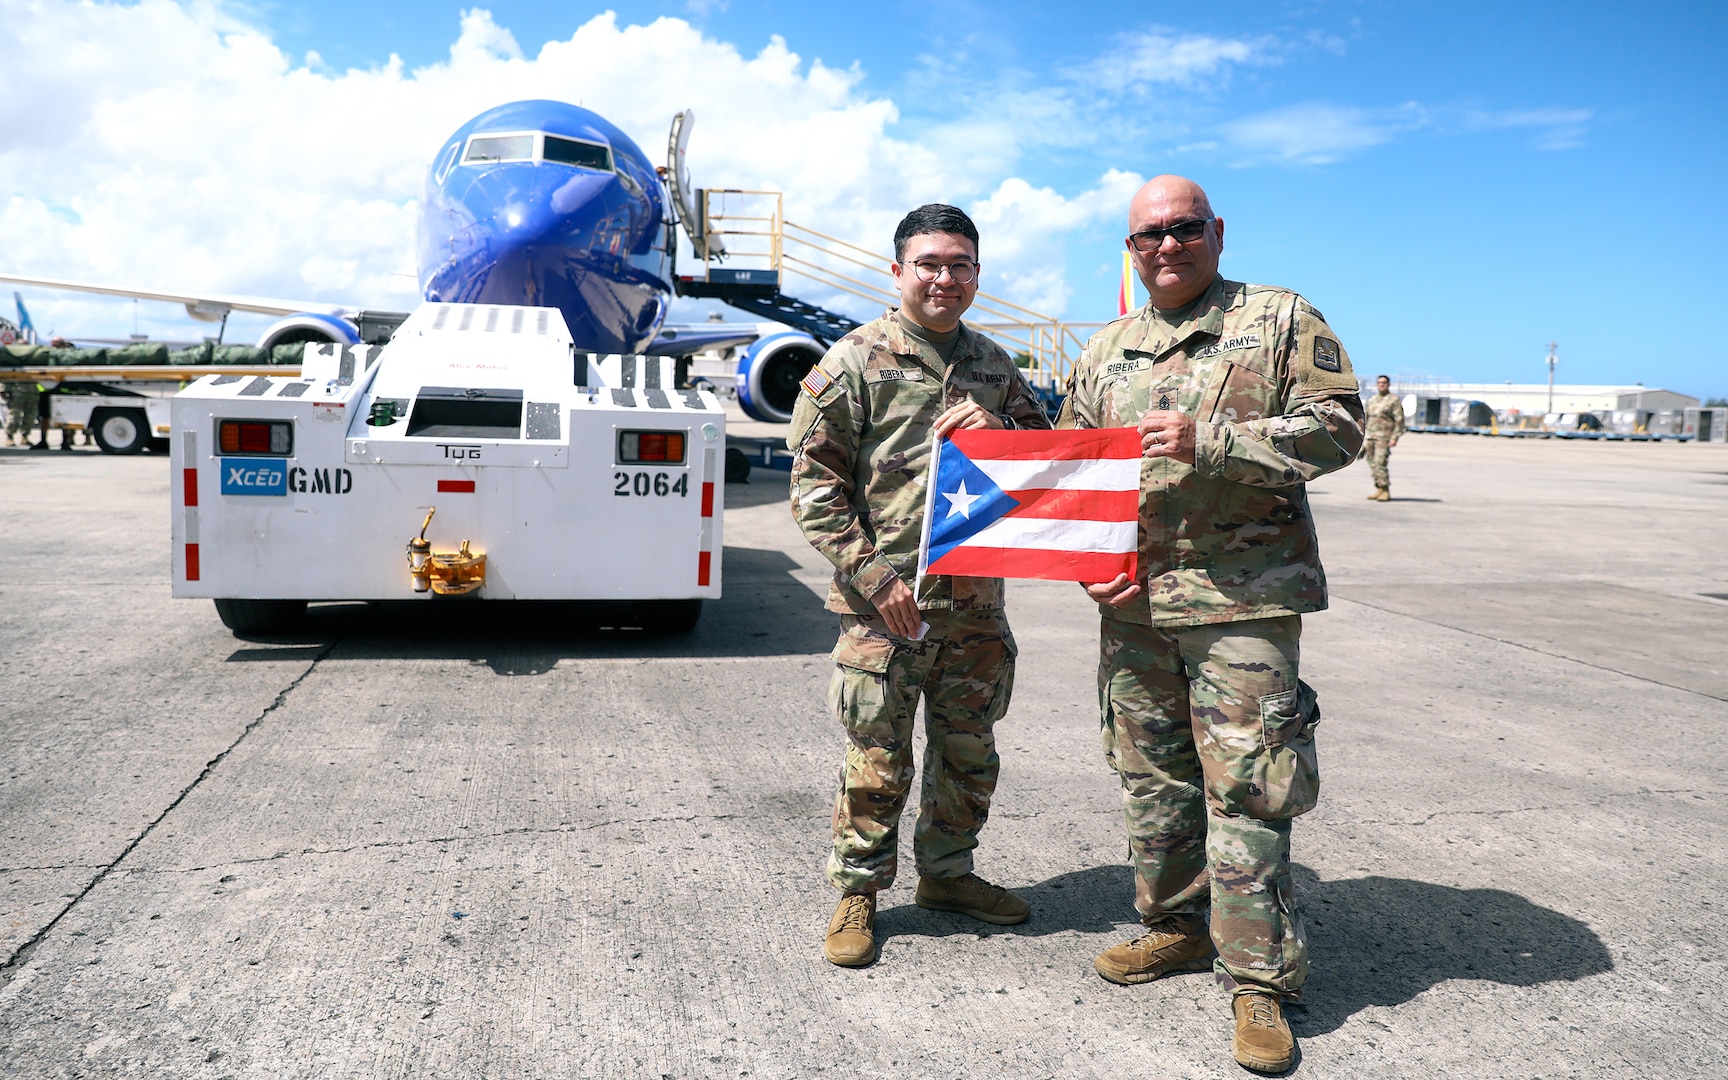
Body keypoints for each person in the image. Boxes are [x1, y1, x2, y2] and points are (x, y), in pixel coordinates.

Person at [1056, 175, 1363, 1073]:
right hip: (1136, 603)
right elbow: (1073, 468)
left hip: (1244, 599)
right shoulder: (1108, 346)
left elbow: (1341, 429)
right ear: (1131, 249)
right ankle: (1176, 926)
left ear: (1216, 232)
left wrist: (1216, 441)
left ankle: (1260, 983)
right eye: (1147, 235)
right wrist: (1089, 567)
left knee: (1252, 786)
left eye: (1183, 229)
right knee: (1150, 777)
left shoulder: (1277, 319)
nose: (1166, 247)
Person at [788, 203, 1053, 968]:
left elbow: (1046, 465)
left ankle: (948, 876)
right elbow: (814, 490)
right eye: (930, 263)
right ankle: (858, 892)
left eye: (960, 265)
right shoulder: (851, 363)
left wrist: (1000, 434)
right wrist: (877, 579)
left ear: (976, 274)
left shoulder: (998, 369)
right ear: (899, 270)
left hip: (974, 606)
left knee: (969, 755)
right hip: (884, 611)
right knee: (877, 760)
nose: (945, 277)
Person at [1363, 374, 1405, 500]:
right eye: (1379, 382)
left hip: (1384, 437)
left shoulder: (1393, 400)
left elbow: (1399, 421)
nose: (1381, 384)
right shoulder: (1372, 400)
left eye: (1384, 382)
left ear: (1388, 384)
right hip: (1371, 437)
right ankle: (1379, 488)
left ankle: (1385, 489)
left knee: (1380, 463)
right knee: (1372, 464)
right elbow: (1366, 418)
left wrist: (1394, 437)